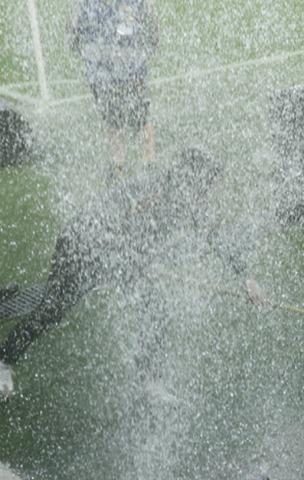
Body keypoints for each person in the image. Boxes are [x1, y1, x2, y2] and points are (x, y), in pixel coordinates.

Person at [0, 148, 264, 366]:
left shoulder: (187, 199)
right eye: (207, 185)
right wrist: (131, 258)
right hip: (80, 243)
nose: (208, 194)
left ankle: (148, 378)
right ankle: (4, 360)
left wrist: (246, 279)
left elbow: (213, 234)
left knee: (154, 307)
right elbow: (108, 221)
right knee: (52, 310)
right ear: (192, 178)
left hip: (110, 254)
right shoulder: (156, 189)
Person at [70, 0, 159, 174]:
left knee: (139, 118)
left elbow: (152, 30)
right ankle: (119, 165)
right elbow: (73, 35)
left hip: (131, 70)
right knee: (114, 120)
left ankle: (148, 162)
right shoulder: (86, 4)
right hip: (102, 74)